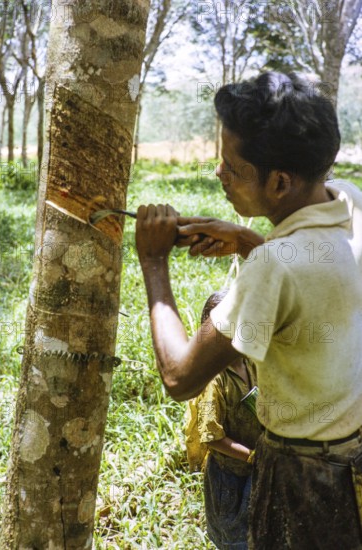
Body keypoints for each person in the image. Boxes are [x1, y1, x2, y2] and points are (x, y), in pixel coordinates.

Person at [135, 71, 362, 549]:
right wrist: (246, 239)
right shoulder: (350, 203)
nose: (219, 174)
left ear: (279, 181)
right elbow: (316, 278)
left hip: (302, 480)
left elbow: (180, 377)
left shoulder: (273, 268)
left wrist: (154, 263)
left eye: (230, 166)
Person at [185, 290, 262, 550]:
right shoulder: (214, 379)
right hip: (228, 475)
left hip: (254, 468)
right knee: (232, 539)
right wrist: (252, 456)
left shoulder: (250, 362)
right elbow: (213, 437)